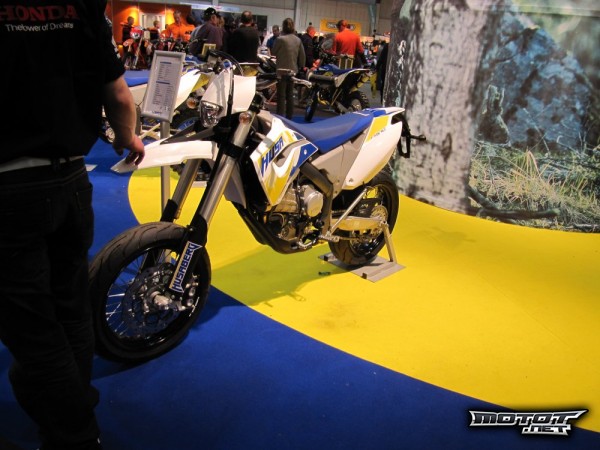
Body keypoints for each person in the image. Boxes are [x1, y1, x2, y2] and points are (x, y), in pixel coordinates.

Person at [0, 2, 145, 449]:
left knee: (32, 329)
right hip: (71, 180)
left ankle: (76, 435)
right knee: (70, 310)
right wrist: (127, 137)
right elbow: (118, 94)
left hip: (9, 186)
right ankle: (70, 410)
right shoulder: (82, 8)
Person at [272, 18, 306, 119]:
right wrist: (301, 67)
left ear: (283, 27)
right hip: (293, 70)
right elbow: (302, 57)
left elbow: (273, 52)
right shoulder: (298, 40)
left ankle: (280, 117)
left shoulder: (280, 39)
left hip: (281, 70)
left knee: (281, 95)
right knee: (290, 95)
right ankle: (289, 116)